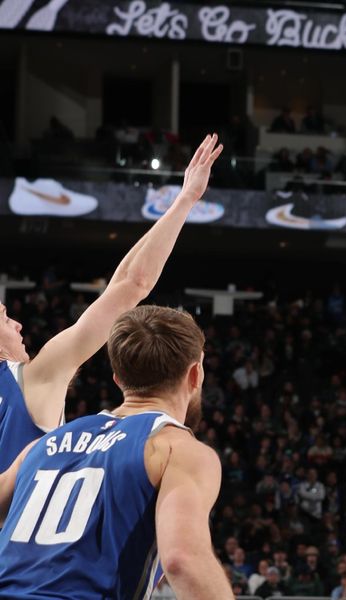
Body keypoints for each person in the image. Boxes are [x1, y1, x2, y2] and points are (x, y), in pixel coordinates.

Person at [0, 133, 223, 473]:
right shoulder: (30, 379)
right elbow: (132, 285)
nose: (17, 324)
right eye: (4, 319)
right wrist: (185, 200)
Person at [0, 305, 232, 599]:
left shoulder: (43, 445)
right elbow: (183, 561)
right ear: (195, 374)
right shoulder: (176, 449)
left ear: (118, 379)